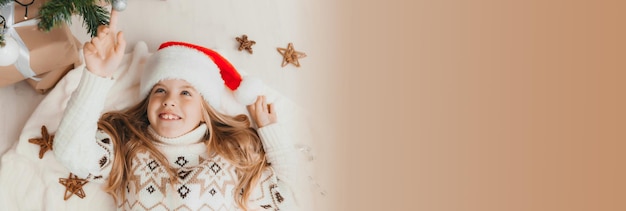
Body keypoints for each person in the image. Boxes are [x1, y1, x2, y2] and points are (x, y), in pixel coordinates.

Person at [53, 10, 299, 210]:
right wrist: (97, 75)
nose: (169, 100)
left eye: (186, 93)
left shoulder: (230, 155)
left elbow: (288, 195)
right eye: (159, 90)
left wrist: (270, 131)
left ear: (205, 110)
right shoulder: (128, 147)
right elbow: (71, 151)